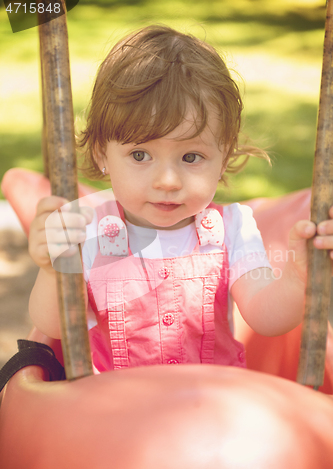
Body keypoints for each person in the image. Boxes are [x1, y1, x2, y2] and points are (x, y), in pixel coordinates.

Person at [28, 25, 333, 373]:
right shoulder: (87, 226)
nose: (168, 181)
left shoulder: (231, 229)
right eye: (141, 155)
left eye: (191, 157)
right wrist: (53, 270)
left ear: (223, 157)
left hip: (210, 410)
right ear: (101, 154)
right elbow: (54, 327)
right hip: (115, 414)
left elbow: (266, 317)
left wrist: (298, 279)